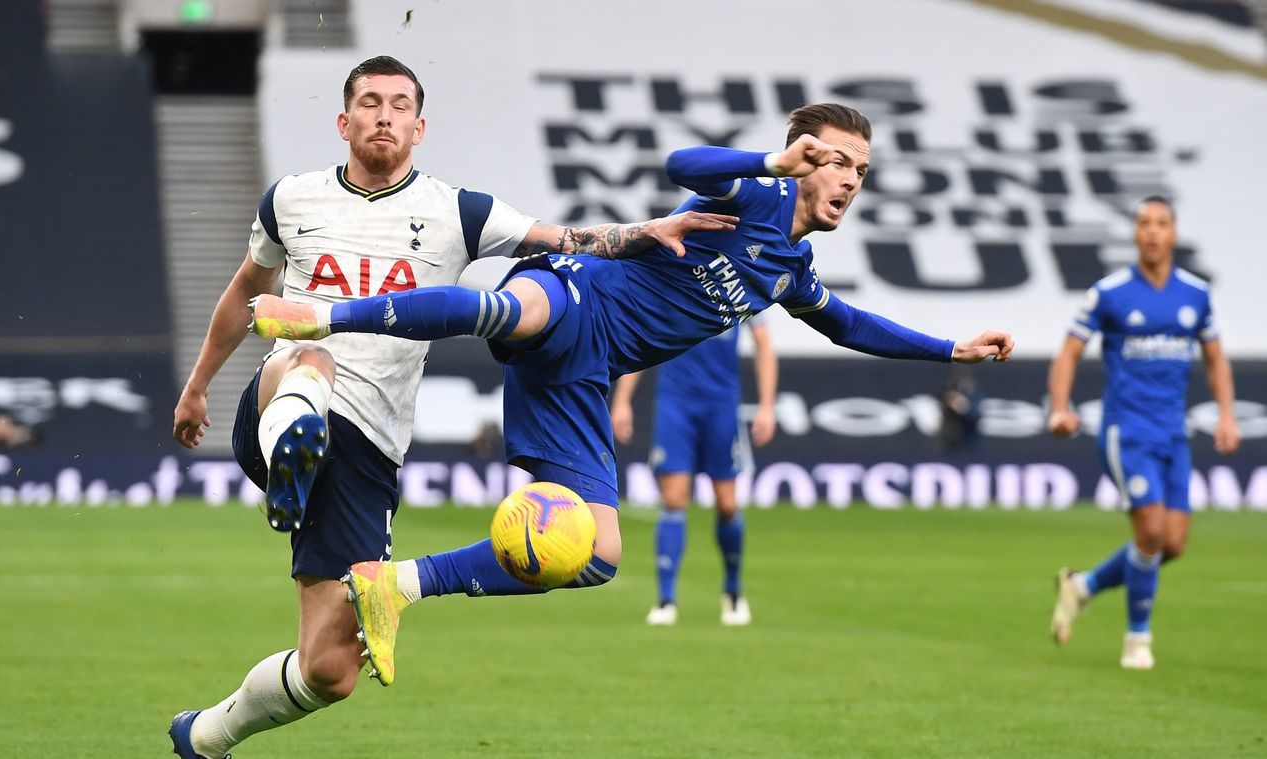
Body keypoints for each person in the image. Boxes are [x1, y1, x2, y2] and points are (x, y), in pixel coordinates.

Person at [250, 102, 1014, 687]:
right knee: (511, 310)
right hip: (578, 295)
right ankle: (321, 315)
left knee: (599, 554)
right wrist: (771, 161)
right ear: (804, 159)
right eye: (837, 160)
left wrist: (950, 348)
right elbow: (684, 160)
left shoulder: (791, 270)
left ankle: (395, 584)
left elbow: (849, 324)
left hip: (585, 375)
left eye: (860, 169)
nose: (849, 177)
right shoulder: (755, 197)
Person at [166, 55, 733, 759]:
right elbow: (243, 291)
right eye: (369, 102)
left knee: (329, 669)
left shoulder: (456, 212)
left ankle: (207, 734)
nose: (383, 115)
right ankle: (291, 461)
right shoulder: (291, 198)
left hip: (367, 451)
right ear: (343, 122)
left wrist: (643, 230)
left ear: (419, 126)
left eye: (399, 105)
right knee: (310, 355)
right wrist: (198, 387)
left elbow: (568, 240)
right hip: (284, 396)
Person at [1046, 196, 1239, 670]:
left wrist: (1227, 414)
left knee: (1171, 544)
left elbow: (1215, 358)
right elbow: (1069, 352)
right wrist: (1059, 408)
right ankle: (1137, 641)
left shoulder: (1196, 294)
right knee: (1150, 531)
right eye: (1144, 224)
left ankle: (1083, 586)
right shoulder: (1109, 292)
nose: (1152, 232)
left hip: (1173, 433)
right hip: (1126, 431)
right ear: (1135, 234)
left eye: (1161, 224)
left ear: (1173, 234)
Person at [609, 312, 778, 626]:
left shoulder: (739, 281)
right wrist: (622, 401)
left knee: (727, 503)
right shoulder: (672, 281)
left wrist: (767, 406)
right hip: (676, 405)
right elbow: (645, 340)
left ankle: (732, 590)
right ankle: (665, 600)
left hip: (722, 406)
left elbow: (764, 343)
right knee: (674, 500)